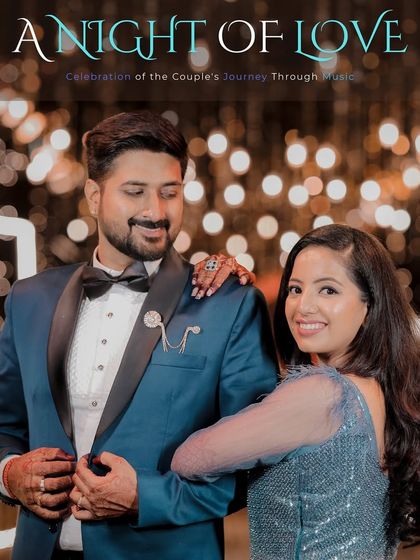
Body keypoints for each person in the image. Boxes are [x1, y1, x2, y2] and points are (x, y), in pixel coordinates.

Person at [0, 111, 278, 560]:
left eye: (170, 192)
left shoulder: (228, 303)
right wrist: (9, 474)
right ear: (94, 196)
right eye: (135, 191)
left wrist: (144, 497)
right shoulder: (29, 299)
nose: (156, 211)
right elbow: (4, 425)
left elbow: (257, 463)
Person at [172, 224, 420, 559]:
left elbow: (189, 459)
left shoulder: (323, 394)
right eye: (295, 289)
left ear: (369, 306)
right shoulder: (384, 389)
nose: (303, 306)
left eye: (328, 290)